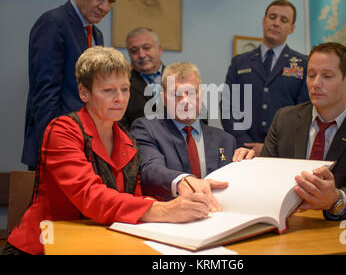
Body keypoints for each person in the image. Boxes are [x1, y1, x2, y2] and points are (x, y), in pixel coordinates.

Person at [4, 47, 214, 255]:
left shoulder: (128, 140)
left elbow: (135, 198)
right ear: (83, 92)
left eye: (124, 89)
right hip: (44, 246)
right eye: (108, 90)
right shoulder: (63, 130)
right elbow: (91, 196)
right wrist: (166, 211)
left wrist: (174, 205)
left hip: (98, 243)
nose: (120, 99)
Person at [234, 42, 346, 220]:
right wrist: (251, 166)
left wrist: (335, 199)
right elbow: (267, 178)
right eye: (311, 75)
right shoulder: (284, 119)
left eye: (327, 76)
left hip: (337, 230)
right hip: (287, 224)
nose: (316, 83)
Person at [22, 0, 123, 170]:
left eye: (111, 1)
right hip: (57, 152)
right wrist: (54, 150)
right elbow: (45, 96)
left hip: (88, 152)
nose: (104, 7)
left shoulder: (97, 34)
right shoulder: (53, 23)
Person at [131, 62, 252, 211]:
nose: (185, 101)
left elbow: (232, 186)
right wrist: (182, 181)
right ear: (163, 98)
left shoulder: (226, 140)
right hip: (171, 221)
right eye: (176, 94)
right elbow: (151, 170)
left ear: (201, 94)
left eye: (192, 93)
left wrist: (248, 166)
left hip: (218, 217)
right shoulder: (147, 129)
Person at [221, 0, 309, 155]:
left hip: (284, 153)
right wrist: (244, 141)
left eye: (284, 20)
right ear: (263, 21)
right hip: (242, 151)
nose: (276, 23)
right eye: (272, 17)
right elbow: (228, 106)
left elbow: (304, 112)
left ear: (292, 28)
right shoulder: (239, 62)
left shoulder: (303, 63)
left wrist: (272, 147)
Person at [121, 27, 164, 129]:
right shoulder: (123, 84)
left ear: (159, 50)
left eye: (147, 48)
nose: (141, 55)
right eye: (134, 51)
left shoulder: (179, 77)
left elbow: (201, 117)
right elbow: (120, 127)